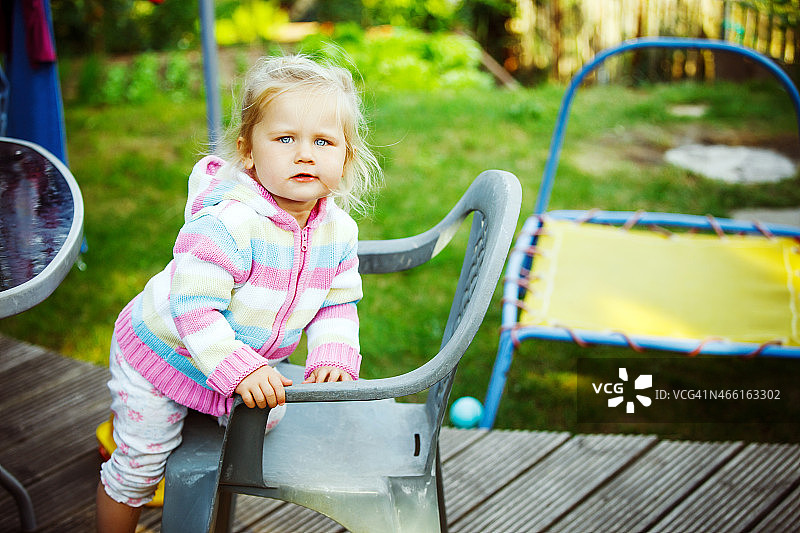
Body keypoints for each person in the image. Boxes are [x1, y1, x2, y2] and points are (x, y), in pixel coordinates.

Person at [95, 54, 382, 533]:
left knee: (265, 419)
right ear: (248, 151)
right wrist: (240, 367)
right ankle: (126, 451)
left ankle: (196, 427)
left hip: (237, 360)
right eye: (286, 138)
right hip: (162, 351)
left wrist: (333, 351)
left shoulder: (338, 232)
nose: (305, 154)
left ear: (346, 157)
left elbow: (337, 300)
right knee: (140, 467)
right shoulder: (228, 224)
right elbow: (194, 311)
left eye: (324, 141)